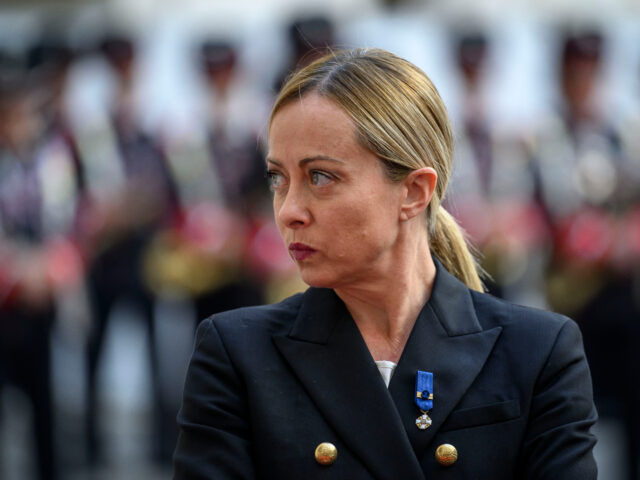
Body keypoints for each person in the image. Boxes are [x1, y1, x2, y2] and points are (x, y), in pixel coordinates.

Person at [173, 48, 597, 479]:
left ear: (413, 192)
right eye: (278, 179)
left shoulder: (538, 352)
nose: (287, 211)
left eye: (320, 176)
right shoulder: (236, 354)